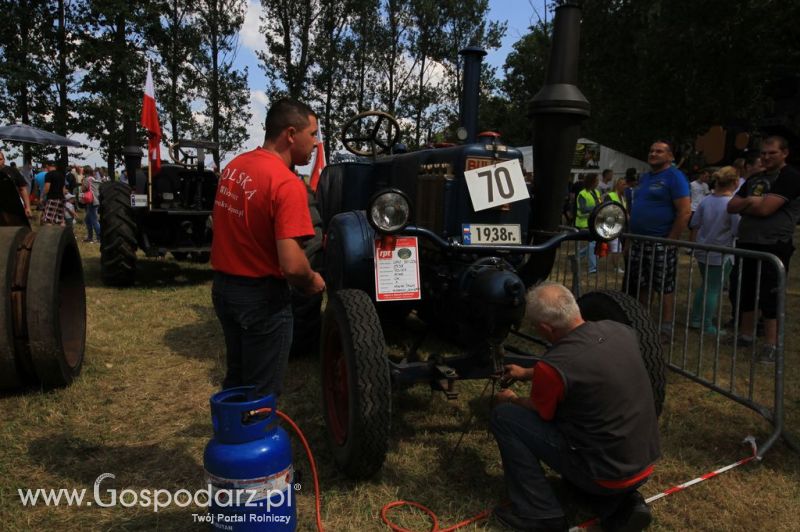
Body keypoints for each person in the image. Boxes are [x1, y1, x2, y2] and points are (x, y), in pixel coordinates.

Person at [491, 282, 659, 532]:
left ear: (547, 328)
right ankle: (621, 504)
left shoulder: (555, 365)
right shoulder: (620, 330)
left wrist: (512, 399)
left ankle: (539, 513)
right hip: (643, 464)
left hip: (604, 473)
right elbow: (583, 364)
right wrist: (528, 372)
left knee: (505, 417)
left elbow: (540, 410)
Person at [210, 98, 325, 397]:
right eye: (312, 134)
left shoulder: (235, 167)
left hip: (224, 290)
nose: (315, 144)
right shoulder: (287, 184)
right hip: (261, 299)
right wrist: (312, 280)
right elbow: (291, 264)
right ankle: (255, 435)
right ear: (290, 134)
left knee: (237, 378)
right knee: (261, 392)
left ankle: (231, 437)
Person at [726, 136, 800, 363]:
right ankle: (746, 335)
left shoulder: (790, 177)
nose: (766, 157)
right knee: (746, 290)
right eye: (764, 153)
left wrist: (748, 204)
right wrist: (751, 202)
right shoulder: (756, 178)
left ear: (785, 153)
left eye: (772, 153)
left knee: (770, 295)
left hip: (773, 244)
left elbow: (767, 209)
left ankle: (771, 344)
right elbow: (731, 206)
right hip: (747, 241)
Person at [625, 140, 691, 340]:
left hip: (660, 242)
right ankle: (642, 321)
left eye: (659, 151)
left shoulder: (674, 177)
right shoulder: (645, 178)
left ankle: (666, 327)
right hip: (638, 240)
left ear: (670, 156)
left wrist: (671, 241)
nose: (653, 153)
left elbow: (684, 211)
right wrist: (628, 241)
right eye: (651, 150)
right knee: (641, 284)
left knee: (664, 285)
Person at [688, 166, 740, 335]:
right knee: (713, 288)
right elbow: (736, 230)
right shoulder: (731, 204)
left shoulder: (706, 200)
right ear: (734, 182)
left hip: (703, 248)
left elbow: (695, 223)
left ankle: (696, 319)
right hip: (720, 252)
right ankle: (706, 323)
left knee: (705, 286)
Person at [575, 173, 601, 274]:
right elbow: (583, 208)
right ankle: (592, 268)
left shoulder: (596, 192)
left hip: (593, 222)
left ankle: (577, 256)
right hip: (584, 223)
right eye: (597, 180)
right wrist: (596, 208)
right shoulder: (582, 193)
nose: (598, 182)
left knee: (593, 243)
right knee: (593, 243)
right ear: (592, 181)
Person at [604, 176, 628, 273]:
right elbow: (606, 209)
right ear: (618, 185)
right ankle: (616, 267)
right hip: (612, 225)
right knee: (616, 247)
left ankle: (615, 265)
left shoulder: (623, 198)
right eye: (623, 184)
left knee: (617, 247)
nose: (625, 186)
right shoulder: (610, 195)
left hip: (620, 225)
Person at [0, 152, 32, 218]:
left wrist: (27, 207)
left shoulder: (12, 171)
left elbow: (22, 189)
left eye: (0, 159)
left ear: (4, 160)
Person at [40, 161, 67, 226]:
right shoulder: (61, 175)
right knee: (60, 221)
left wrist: (41, 197)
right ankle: (63, 235)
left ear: (47, 166)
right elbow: (64, 190)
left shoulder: (48, 175)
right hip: (62, 199)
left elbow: (47, 188)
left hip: (52, 198)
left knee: (48, 220)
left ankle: (48, 235)